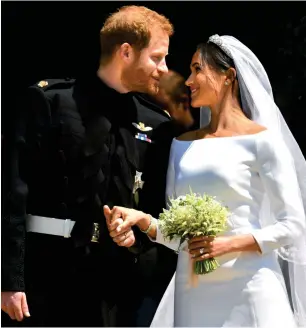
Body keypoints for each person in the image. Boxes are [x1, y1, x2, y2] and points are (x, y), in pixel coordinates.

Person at [104, 34, 306, 327]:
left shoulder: (263, 142)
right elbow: (178, 238)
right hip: (194, 291)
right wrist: (144, 221)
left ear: (228, 76)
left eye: (198, 69)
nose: (188, 80)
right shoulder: (181, 145)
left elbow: (294, 225)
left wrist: (228, 244)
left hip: (251, 287)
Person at [1, 5, 179, 327]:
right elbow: (13, 191)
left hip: (119, 286)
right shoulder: (50, 102)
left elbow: (154, 206)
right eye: (157, 57)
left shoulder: (156, 123)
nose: (164, 69)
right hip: (48, 275)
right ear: (126, 52)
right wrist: (9, 279)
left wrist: (134, 238)